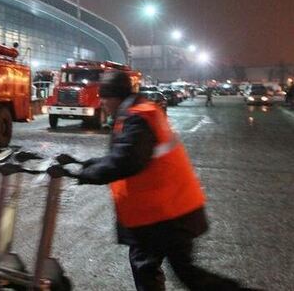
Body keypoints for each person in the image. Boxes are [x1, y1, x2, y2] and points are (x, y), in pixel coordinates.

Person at [68, 71, 248, 291]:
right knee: (163, 269)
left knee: (168, 271)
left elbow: (129, 159)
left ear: (113, 97)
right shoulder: (136, 113)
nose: (101, 103)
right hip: (165, 210)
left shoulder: (137, 118)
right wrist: (90, 164)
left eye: (103, 98)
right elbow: (126, 154)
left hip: (166, 215)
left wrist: (88, 174)